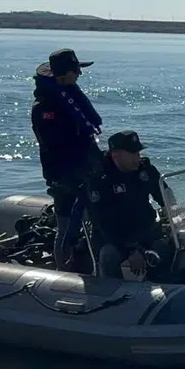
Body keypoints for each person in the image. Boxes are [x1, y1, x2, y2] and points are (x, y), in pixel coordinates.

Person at [31, 48, 103, 272]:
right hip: (63, 175)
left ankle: (92, 264)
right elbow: (53, 144)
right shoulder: (45, 107)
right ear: (62, 75)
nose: (79, 75)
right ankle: (62, 269)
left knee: (95, 221)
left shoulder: (70, 96)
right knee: (65, 225)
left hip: (86, 169)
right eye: (76, 71)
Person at [85, 131, 167, 279]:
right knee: (108, 255)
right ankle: (112, 293)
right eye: (133, 153)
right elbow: (102, 222)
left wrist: (176, 213)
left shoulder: (145, 170)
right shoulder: (100, 179)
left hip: (143, 228)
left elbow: (164, 194)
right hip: (115, 236)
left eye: (138, 152)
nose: (138, 157)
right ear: (116, 155)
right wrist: (130, 249)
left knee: (169, 243)